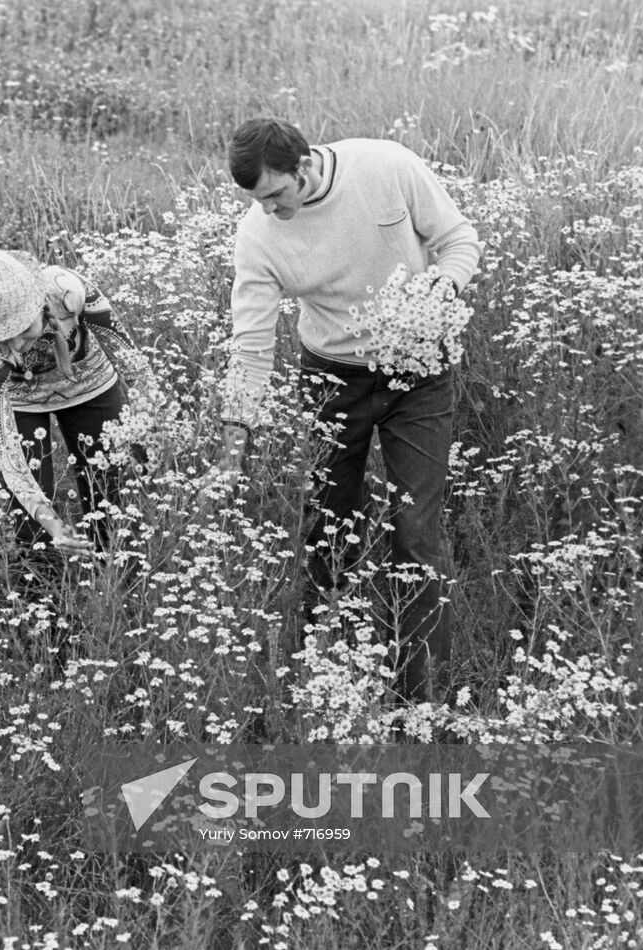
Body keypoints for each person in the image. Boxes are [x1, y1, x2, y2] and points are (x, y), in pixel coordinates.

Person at [216, 118, 482, 703]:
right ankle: (318, 678)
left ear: (305, 165)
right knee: (327, 529)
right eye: (258, 201)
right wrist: (234, 445)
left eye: (276, 195)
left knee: (415, 531)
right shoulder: (259, 234)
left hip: (419, 372)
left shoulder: (386, 166)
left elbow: (459, 241)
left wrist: (442, 287)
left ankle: (423, 697)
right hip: (334, 378)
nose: (271, 212)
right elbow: (252, 346)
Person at [0, 248, 150, 561]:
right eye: (3, 338)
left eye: (23, 330)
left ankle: (117, 585)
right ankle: (42, 599)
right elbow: (8, 455)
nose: (16, 347)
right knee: (27, 520)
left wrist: (148, 428)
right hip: (23, 402)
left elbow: (132, 361)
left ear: (40, 306)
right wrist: (53, 526)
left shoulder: (69, 291)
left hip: (91, 384)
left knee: (112, 493)